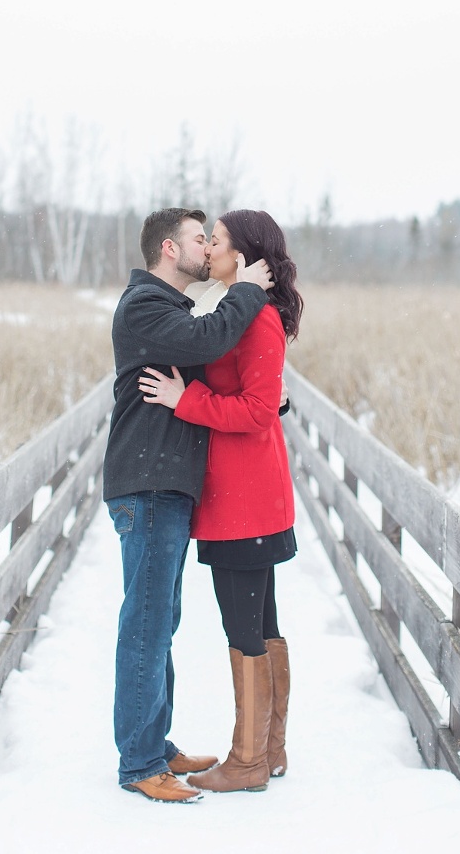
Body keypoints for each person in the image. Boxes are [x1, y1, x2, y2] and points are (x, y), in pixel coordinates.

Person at [103, 207, 274, 804]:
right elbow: (212, 338)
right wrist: (249, 290)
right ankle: (141, 763)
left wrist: (265, 402)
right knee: (147, 624)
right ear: (170, 250)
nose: (208, 247)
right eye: (200, 238)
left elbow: (217, 370)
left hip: (163, 486)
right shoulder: (146, 308)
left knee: (160, 620)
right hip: (147, 487)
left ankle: (156, 742)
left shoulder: (170, 310)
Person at [139, 209, 304, 793]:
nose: (209, 249)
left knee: (245, 627)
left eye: (220, 242)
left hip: (246, 499)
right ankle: (271, 749)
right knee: (261, 623)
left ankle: (247, 761)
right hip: (246, 495)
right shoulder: (243, 311)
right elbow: (261, 395)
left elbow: (258, 410)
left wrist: (187, 399)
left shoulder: (255, 317)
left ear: (246, 257)